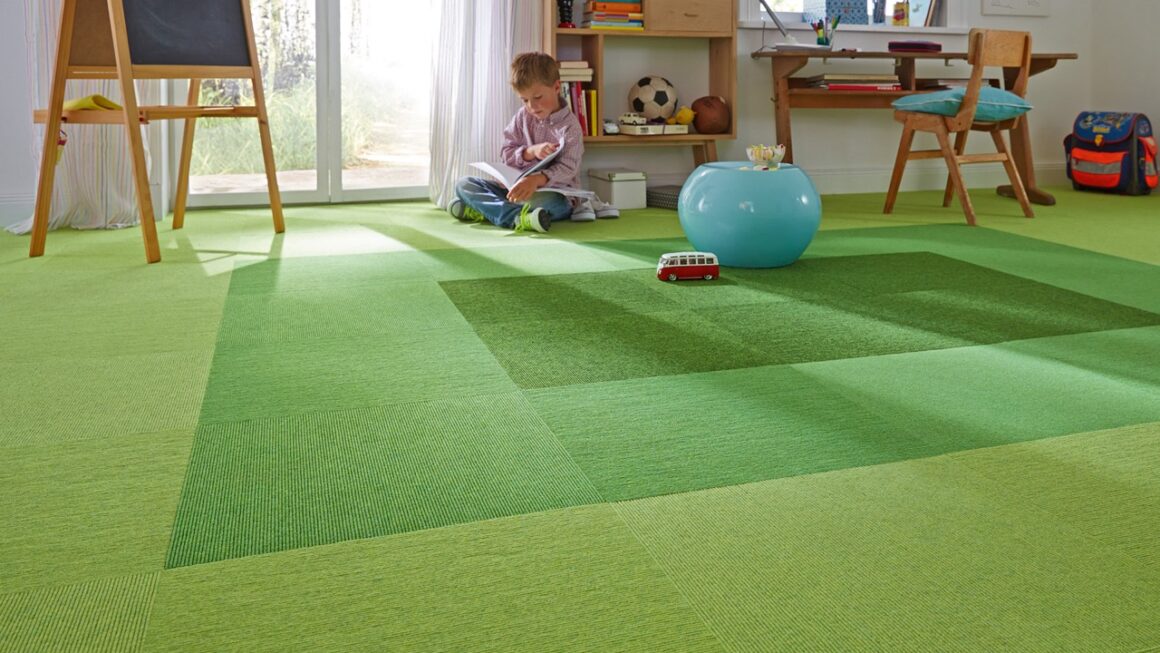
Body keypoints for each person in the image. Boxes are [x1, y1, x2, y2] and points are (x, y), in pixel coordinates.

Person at [448, 51, 618, 233]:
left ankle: (489, 211)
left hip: (553, 194)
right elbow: (507, 153)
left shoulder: (570, 127)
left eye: (537, 98)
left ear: (556, 87)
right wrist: (531, 152)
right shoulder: (522, 117)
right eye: (525, 100)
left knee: (552, 205)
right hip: (514, 190)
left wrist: (536, 180)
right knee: (464, 183)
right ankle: (516, 217)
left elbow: (569, 168)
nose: (532, 106)